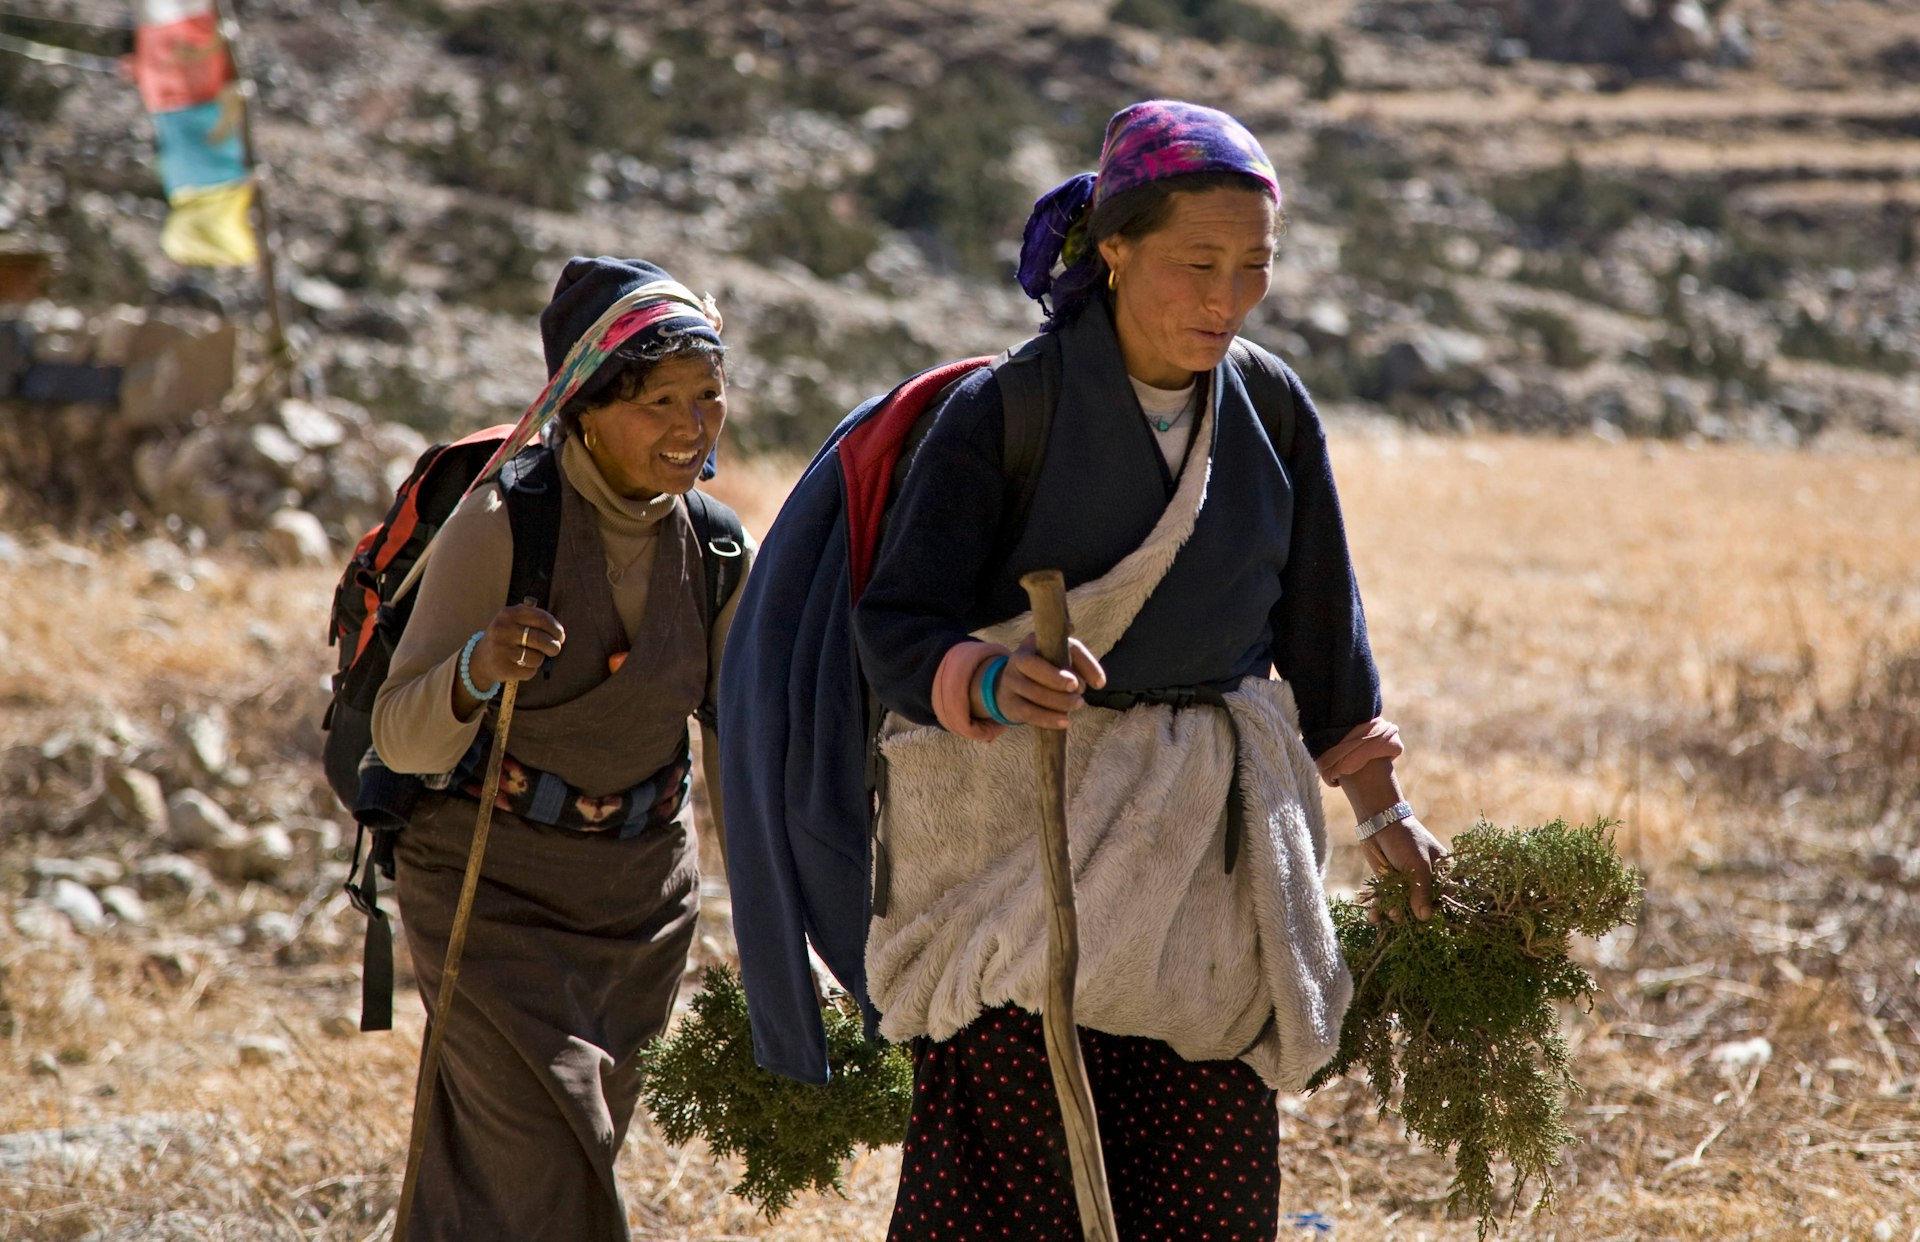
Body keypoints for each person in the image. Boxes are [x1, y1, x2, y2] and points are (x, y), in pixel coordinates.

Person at [851, 100, 1449, 1239]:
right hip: (1027, 851)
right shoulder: (1005, 413)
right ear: (1114, 248)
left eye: (1253, 267)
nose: (1225, 299)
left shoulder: (1271, 408)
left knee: (1203, 1195)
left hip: (1204, 871)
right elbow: (896, 626)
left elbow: (1324, 636)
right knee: (1013, 1200)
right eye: (1195, 263)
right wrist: (988, 681)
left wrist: (1386, 816)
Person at [369, 257, 752, 1241]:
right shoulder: (502, 528)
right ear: (583, 408)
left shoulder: (714, 550)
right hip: (491, 886)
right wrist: (478, 667)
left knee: (542, 1163)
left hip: (641, 905)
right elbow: (401, 737)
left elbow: (755, 739)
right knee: (545, 1156)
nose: (689, 425)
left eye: (706, 396)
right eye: (657, 401)